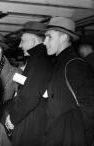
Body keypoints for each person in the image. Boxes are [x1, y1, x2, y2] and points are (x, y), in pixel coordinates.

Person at [43, 17, 94, 146]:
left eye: (49, 37)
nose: (44, 42)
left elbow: (90, 108)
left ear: (64, 37)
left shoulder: (74, 65)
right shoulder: (60, 63)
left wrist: (72, 135)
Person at [4, 21, 53, 146]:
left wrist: (13, 118)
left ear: (33, 41)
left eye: (23, 41)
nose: (20, 45)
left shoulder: (39, 61)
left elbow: (30, 97)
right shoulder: (40, 59)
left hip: (31, 123)